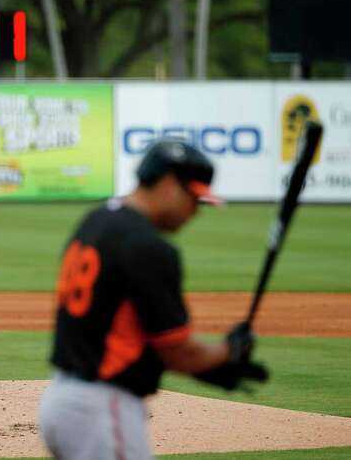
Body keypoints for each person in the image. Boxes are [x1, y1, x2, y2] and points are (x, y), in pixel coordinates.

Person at [39, 138, 268, 460]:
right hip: (102, 410)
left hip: (61, 400)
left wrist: (216, 364)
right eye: (194, 199)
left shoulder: (97, 220)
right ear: (169, 185)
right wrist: (229, 351)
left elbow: (129, 332)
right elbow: (177, 352)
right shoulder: (149, 247)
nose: (195, 212)